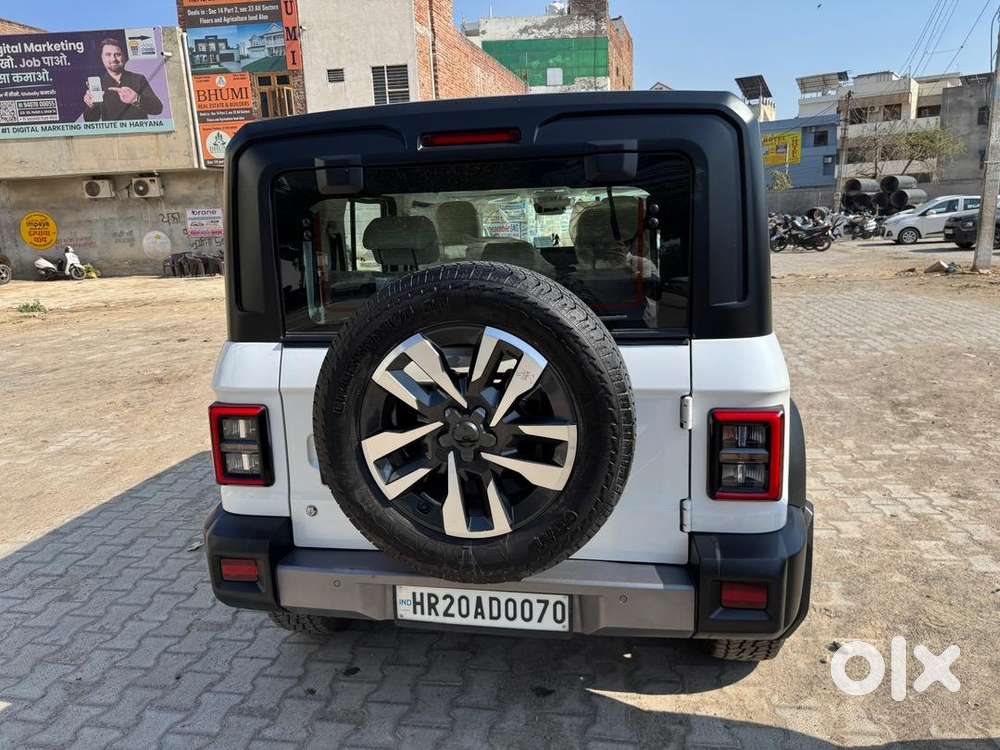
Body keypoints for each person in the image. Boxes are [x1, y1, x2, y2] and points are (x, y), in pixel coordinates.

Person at [83, 39, 163, 122]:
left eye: (117, 54)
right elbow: (90, 120)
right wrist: (91, 106)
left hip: (139, 132)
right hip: (113, 133)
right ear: (102, 58)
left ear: (124, 57)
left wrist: (136, 99)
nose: (113, 59)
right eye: (108, 55)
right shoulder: (98, 83)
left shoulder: (138, 79)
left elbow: (158, 108)